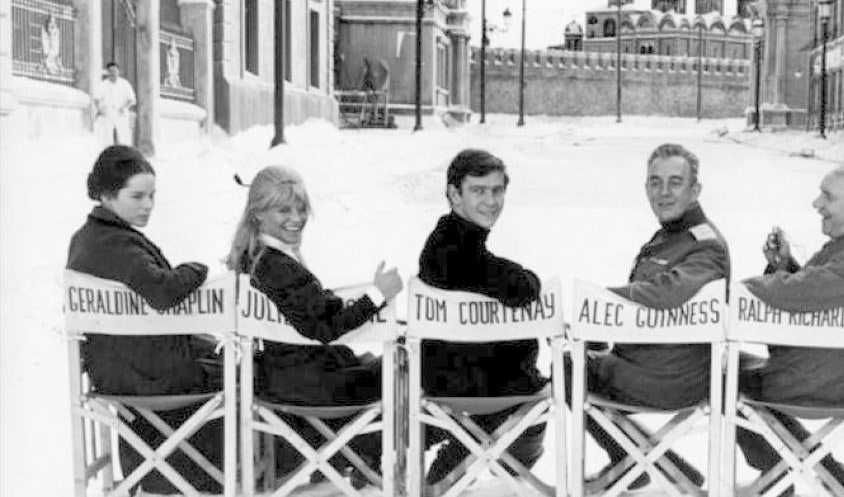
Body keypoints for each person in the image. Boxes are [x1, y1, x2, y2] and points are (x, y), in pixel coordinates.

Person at [225, 165, 403, 480]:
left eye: (301, 208)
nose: (297, 217)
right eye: (283, 209)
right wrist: (377, 295)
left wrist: (331, 300)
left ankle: (347, 463)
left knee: (379, 366)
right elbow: (322, 330)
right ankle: (369, 461)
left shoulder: (253, 258)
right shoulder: (276, 266)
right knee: (410, 376)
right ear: (258, 215)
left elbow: (306, 311)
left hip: (284, 377)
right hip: (312, 388)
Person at [572, 143, 731, 491]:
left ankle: (639, 463)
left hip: (669, 378)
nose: (663, 192)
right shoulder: (668, 236)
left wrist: (596, 301)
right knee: (579, 355)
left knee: (568, 370)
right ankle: (645, 463)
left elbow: (667, 292)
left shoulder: (705, 245)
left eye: (675, 182)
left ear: (695, 190)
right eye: (655, 182)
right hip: (648, 366)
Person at [66, 145, 223, 495]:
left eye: (152, 196)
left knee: (216, 354)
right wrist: (196, 269)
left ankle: (164, 476)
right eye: (136, 196)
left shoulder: (86, 239)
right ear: (107, 194)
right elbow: (163, 291)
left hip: (115, 369)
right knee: (239, 372)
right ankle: (210, 477)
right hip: (146, 377)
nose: (148, 205)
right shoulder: (116, 244)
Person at [734, 159, 844, 496]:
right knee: (725, 369)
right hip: (823, 372)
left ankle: (781, 476)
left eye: (828, 197)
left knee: (713, 373)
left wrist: (732, 290)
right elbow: (819, 292)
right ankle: (821, 474)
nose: (816, 204)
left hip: (820, 383)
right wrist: (785, 266)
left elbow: (798, 293)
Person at [418, 149, 549, 485]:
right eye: (479, 191)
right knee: (550, 388)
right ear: (453, 194)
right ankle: (494, 458)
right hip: (484, 392)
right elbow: (523, 288)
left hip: (455, 386)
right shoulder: (455, 251)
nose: (491, 201)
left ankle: (458, 462)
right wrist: (523, 276)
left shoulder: (448, 241)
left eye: (497, 190)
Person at [94, 61, 136, 146]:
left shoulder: (124, 84)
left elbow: (132, 99)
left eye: (114, 71)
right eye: (110, 71)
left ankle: (125, 156)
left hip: (121, 112)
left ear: (118, 72)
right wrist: (99, 109)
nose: (112, 73)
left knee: (123, 137)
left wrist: (124, 107)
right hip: (107, 112)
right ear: (107, 72)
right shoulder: (103, 84)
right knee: (106, 137)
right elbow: (96, 99)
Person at [360, 55, 390, 125]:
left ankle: (374, 118)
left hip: (374, 90)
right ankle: (374, 117)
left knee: (374, 103)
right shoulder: (370, 73)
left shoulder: (369, 73)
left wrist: (369, 89)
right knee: (373, 104)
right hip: (374, 90)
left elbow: (370, 82)